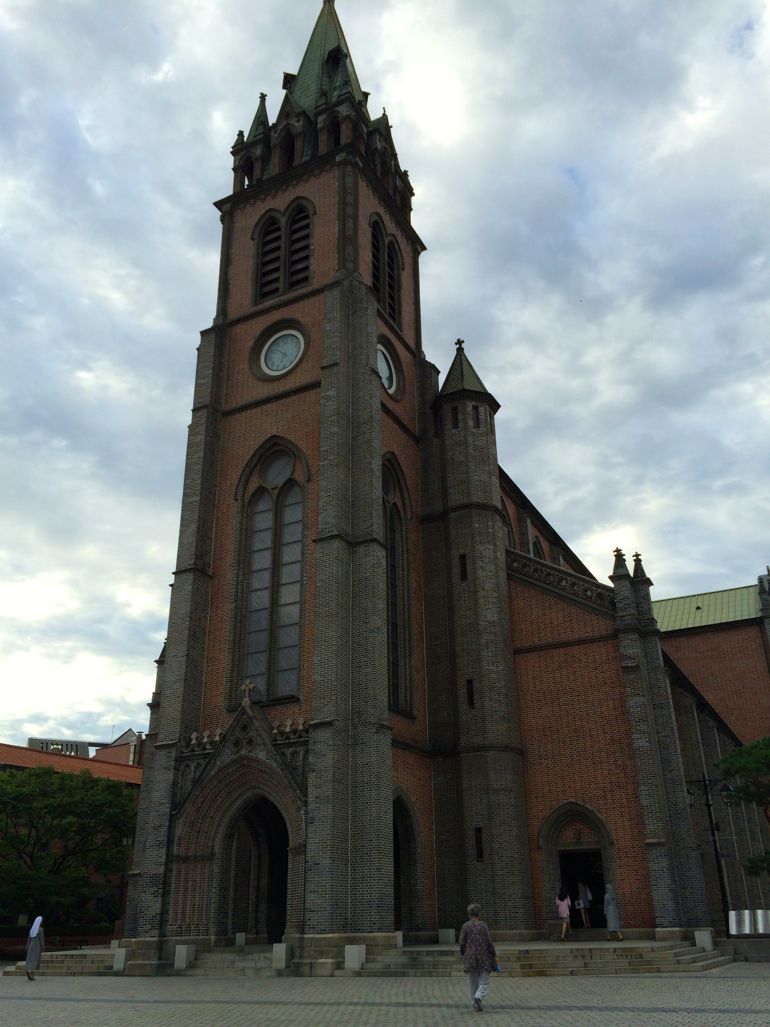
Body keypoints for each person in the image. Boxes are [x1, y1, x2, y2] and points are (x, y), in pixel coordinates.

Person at [459, 903, 497, 1013]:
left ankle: (474, 1003)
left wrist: (463, 953)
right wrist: (493, 955)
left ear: (468, 914)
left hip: (470, 957)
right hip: (484, 956)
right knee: (484, 981)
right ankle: (479, 996)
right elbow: (489, 942)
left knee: (472, 982)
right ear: (479, 914)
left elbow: (461, 942)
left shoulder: (465, 926)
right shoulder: (483, 926)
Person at [25, 916, 44, 980]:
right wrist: (43, 947)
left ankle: (30, 973)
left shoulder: (32, 929)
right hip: (37, 946)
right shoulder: (41, 929)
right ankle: (30, 971)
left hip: (31, 945)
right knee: (35, 958)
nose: (42, 922)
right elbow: (41, 940)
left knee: (30, 958)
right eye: (41, 921)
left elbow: (29, 939)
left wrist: (27, 946)